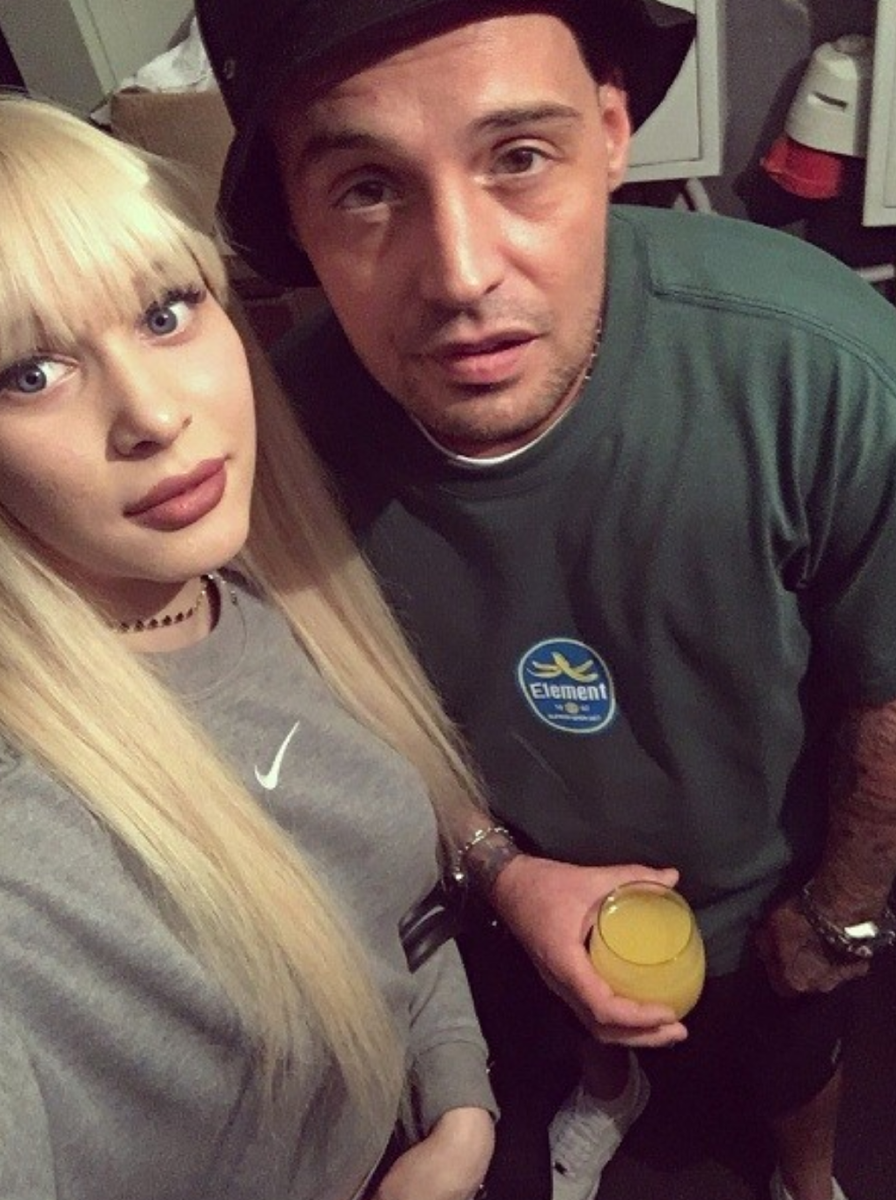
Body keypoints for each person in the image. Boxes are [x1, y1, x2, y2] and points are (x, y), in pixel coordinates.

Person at [196, 1, 896, 1199]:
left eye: (517, 156)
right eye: (366, 188)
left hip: (770, 891)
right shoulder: (277, 453)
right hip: (509, 890)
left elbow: (886, 688)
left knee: (797, 1068)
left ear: (612, 131)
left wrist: (839, 917)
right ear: (295, 220)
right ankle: (610, 1092)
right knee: (582, 1029)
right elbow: (336, 711)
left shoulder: (819, 368)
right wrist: (501, 872)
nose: (461, 273)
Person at [0, 92, 499, 1200]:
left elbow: (387, 912)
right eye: (28, 373)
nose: (152, 414)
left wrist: (459, 1108)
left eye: (165, 311)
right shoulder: (26, 848)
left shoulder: (251, 594)